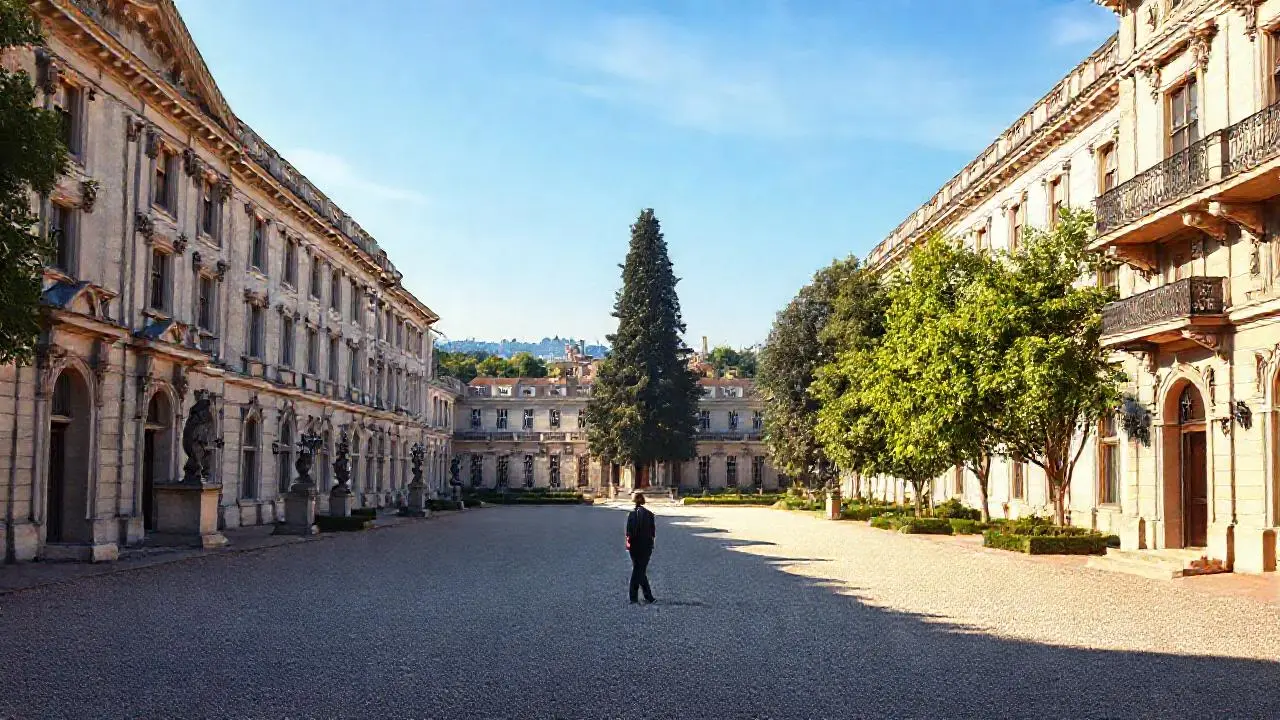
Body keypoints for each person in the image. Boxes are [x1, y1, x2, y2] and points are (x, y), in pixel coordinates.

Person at [625, 491, 656, 604]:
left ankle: (635, 597)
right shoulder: (650, 514)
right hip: (646, 546)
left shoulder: (632, 515)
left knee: (638, 569)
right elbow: (653, 533)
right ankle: (647, 596)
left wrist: (629, 544)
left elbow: (629, 533)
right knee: (640, 569)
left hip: (635, 545)